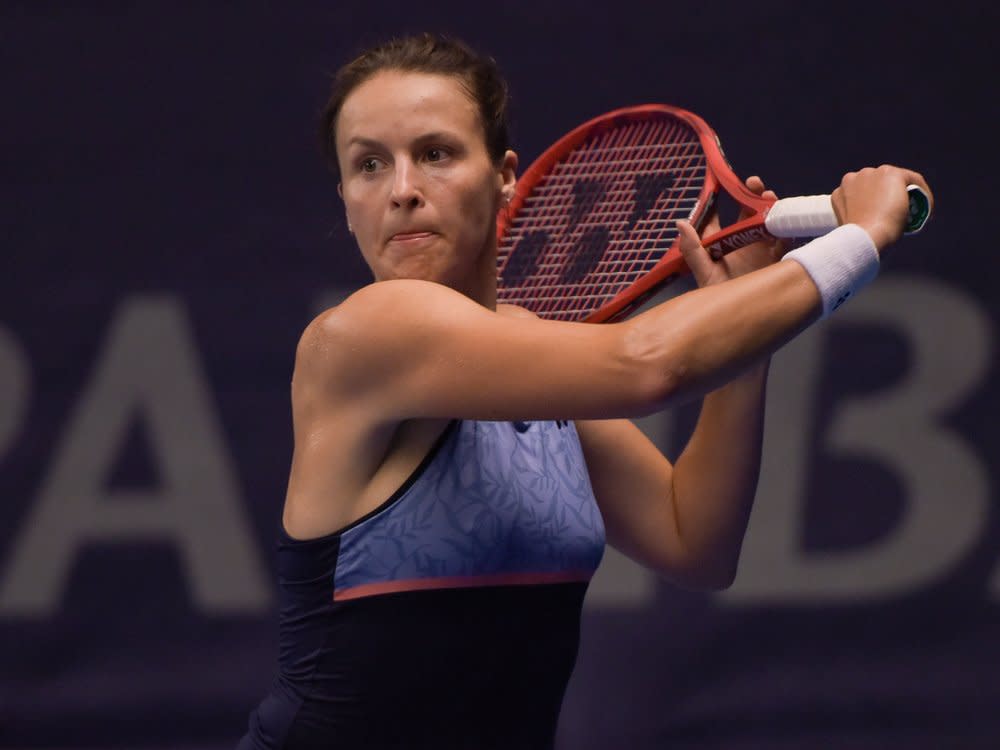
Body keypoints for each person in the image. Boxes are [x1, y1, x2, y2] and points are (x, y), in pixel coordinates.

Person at [237, 32, 931, 750]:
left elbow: (694, 541)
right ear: (347, 200)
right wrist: (859, 241)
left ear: (505, 176)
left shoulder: (528, 365)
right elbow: (647, 364)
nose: (402, 189)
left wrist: (750, 337)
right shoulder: (369, 333)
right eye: (368, 165)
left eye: (436, 153)